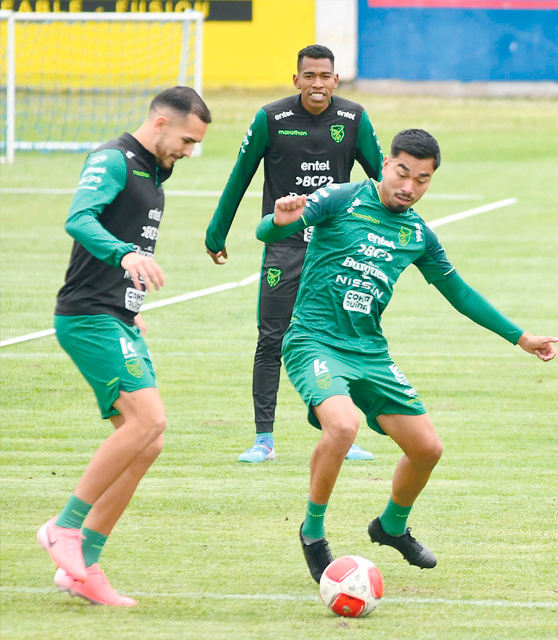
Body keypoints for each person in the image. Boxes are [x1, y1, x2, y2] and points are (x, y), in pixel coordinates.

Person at [256, 129, 558, 582]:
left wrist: (522, 337)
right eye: (402, 173)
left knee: (427, 449)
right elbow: (266, 231)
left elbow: (459, 293)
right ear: (384, 165)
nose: (409, 187)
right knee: (342, 426)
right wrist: (280, 220)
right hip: (313, 341)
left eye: (422, 179)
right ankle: (313, 533)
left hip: (370, 351)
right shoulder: (340, 199)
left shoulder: (417, 233)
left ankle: (391, 526)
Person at [40, 87, 210, 606]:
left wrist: (131, 301)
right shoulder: (112, 159)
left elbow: (131, 235)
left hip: (117, 316)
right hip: (87, 316)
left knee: (147, 442)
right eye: (185, 139)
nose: (188, 151)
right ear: (160, 123)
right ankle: (64, 530)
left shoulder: (156, 171)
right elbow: (79, 219)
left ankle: (84, 567)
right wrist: (124, 257)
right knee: (148, 422)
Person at [205, 44, 384, 463]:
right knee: (272, 338)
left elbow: (382, 180)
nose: (317, 85)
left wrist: (381, 236)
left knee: (339, 340)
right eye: (309, 76)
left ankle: (341, 431)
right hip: (282, 247)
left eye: (325, 76)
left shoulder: (354, 118)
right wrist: (217, 233)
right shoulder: (271, 118)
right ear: (296, 79)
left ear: (335, 80)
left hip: (334, 251)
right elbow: (239, 176)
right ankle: (263, 439)